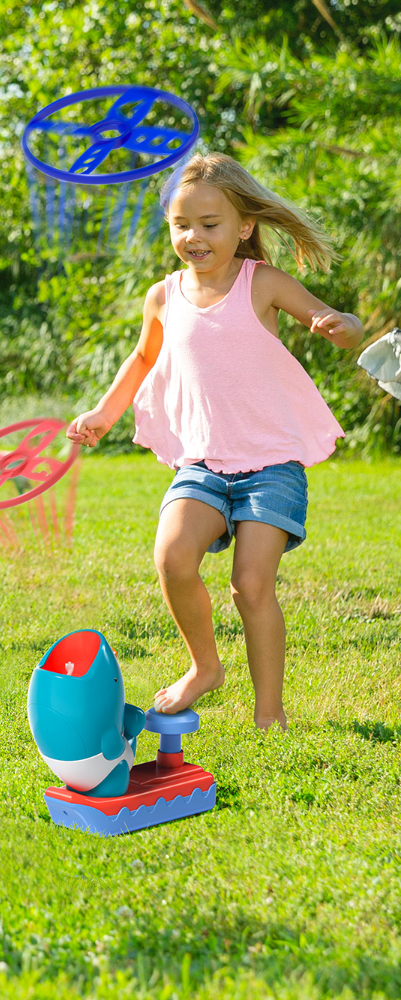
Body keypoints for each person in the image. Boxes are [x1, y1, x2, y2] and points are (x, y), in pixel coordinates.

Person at [67, 153, 363, 732]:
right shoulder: (163, 295)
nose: (194, 237)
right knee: (173, 557)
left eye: (210, 224)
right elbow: (143, 357)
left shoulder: (263, 283)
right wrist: (103, 413)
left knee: (251, 585)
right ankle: (205, 667)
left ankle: (270, 714)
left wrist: (344, 326)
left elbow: (330, 320)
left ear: (244, 227)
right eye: (182, 225)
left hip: (271, 465)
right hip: (201, 463)